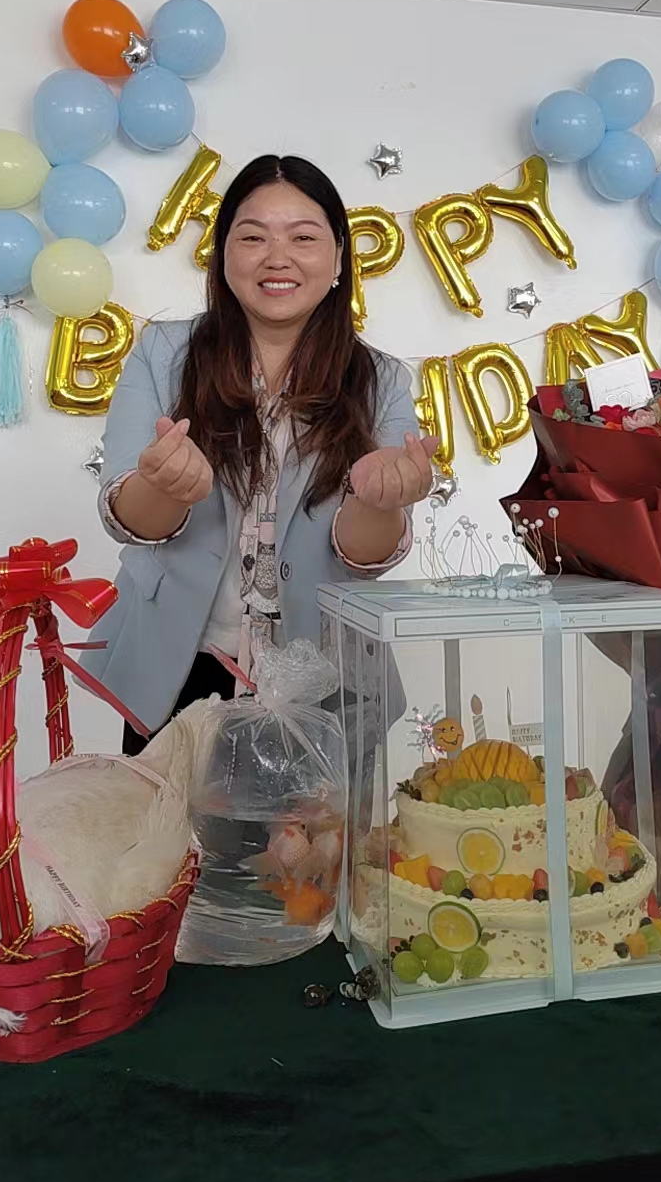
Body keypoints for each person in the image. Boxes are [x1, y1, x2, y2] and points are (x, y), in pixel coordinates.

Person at [84, 153, 438, 754]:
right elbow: (127, 517)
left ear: (339, 258)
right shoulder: (162, 354)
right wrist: (164, 485)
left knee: (320, 823)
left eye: (304, 238)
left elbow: (364, 557)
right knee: (167, 821)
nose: (278, 257)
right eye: (253, 237)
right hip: (178, 664)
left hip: (325, 674)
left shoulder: (380, 380)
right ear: (223, 254)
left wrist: (377, 500)